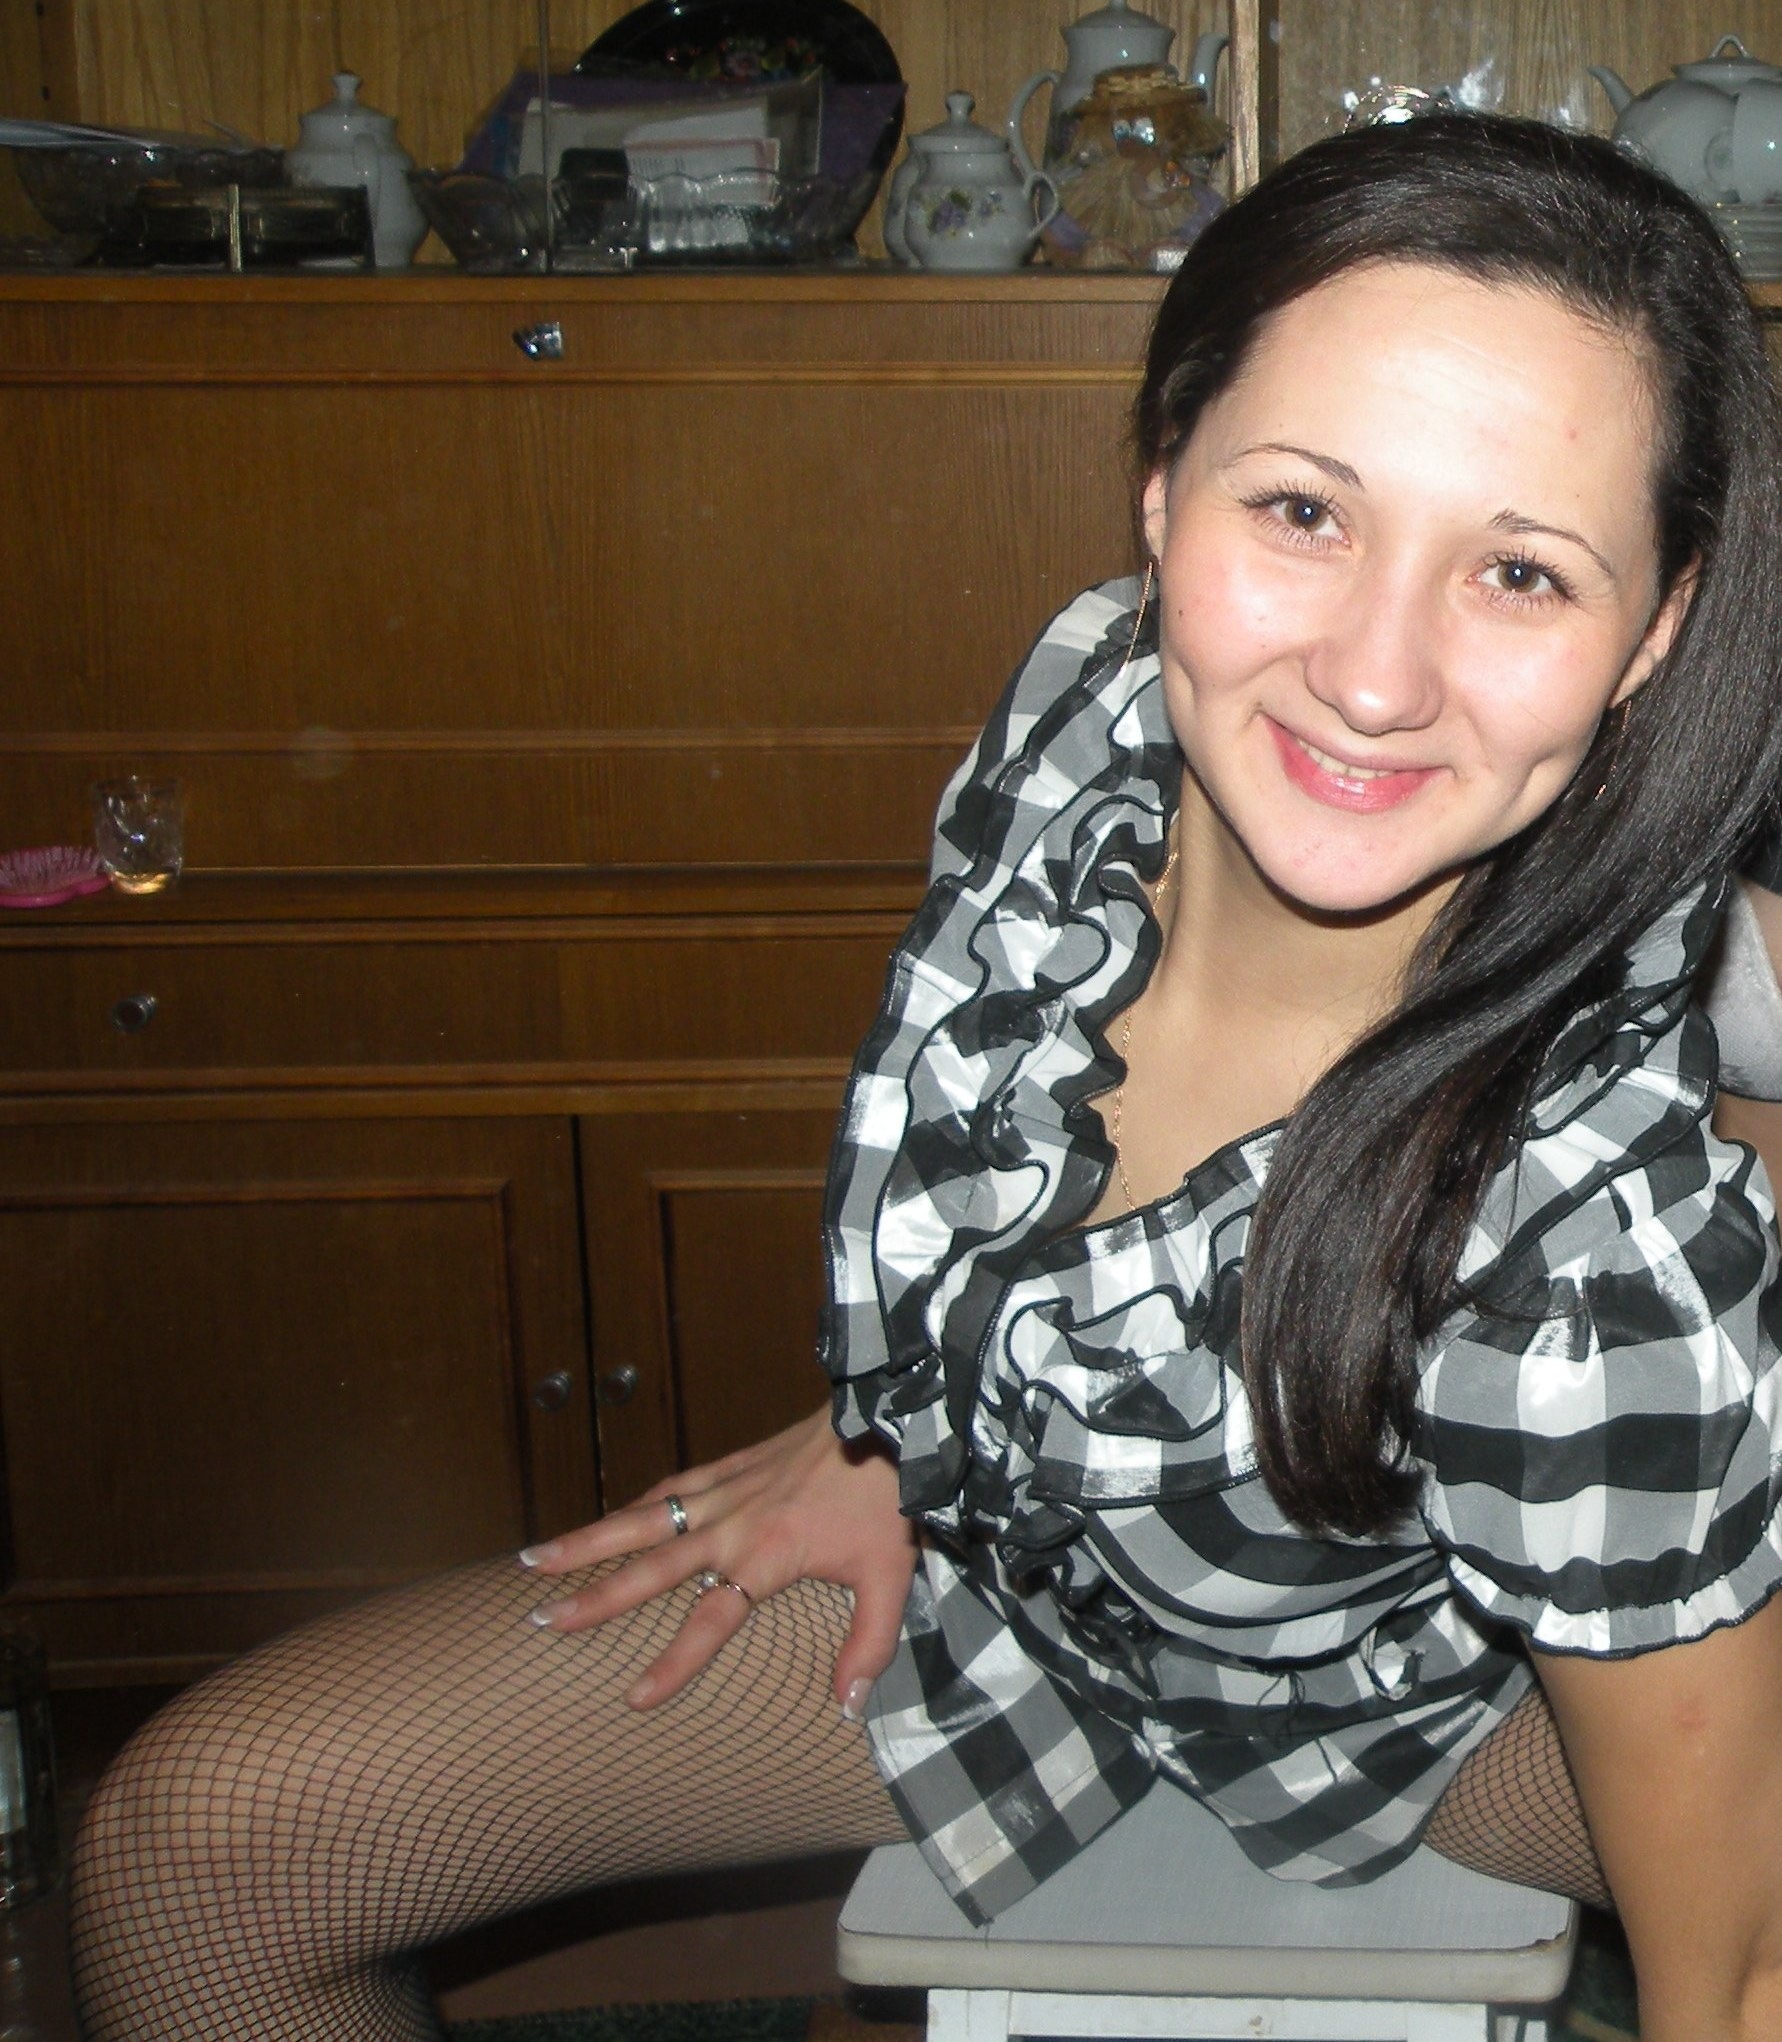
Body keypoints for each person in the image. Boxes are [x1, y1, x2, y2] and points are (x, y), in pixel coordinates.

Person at [68, 113, 1782, 2041]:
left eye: (1521, 572)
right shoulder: (1091, 708)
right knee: (196, 1846)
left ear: (1654, 629)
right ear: (1160, 484)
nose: (1370, 677)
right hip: (1038, 1610)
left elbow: (1736, 1980)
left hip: (1452, 1704)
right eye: (1302, 511)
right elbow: (981, 1113)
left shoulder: (1590, 1274)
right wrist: (913, 1416)